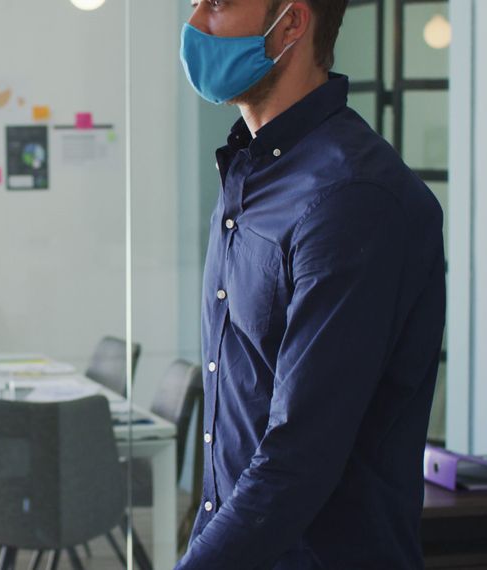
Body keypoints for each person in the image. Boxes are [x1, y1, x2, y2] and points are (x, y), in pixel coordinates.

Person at [175, 0, 446, 568]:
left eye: (218, 4)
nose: (196, 23)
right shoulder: (248, 172)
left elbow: (301, 451)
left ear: (292, 23)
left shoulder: (351, 196)